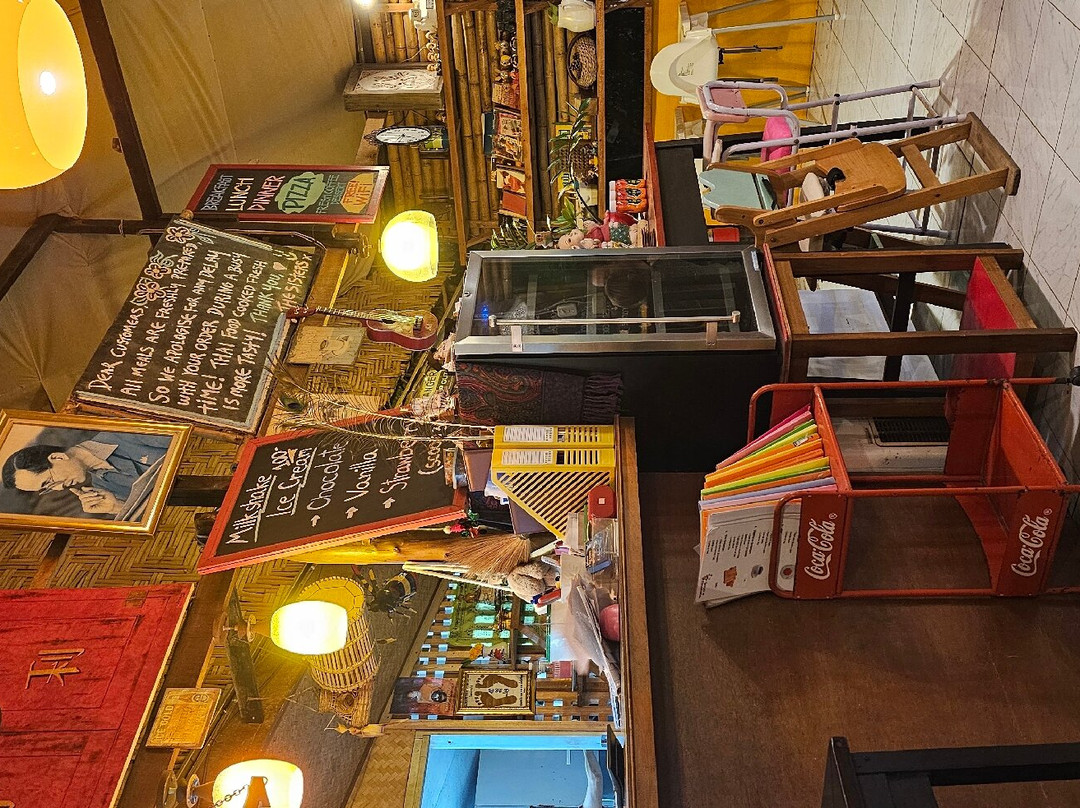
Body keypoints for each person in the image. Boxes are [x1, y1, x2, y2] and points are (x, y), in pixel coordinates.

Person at [1, 431, 172, 518]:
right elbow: (168, 513)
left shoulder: (123, 433)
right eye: (47, 489)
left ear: (58, 457)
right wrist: (117, 507)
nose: (59, 489)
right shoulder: (104, 489)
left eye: (50, 482)